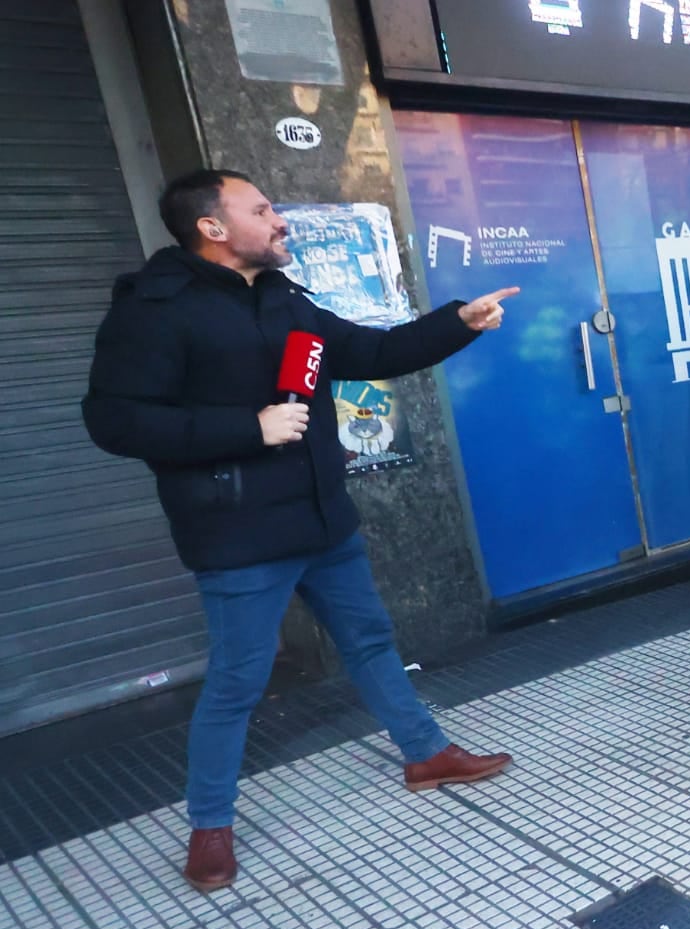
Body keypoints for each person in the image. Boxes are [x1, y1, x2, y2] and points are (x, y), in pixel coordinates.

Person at [82, 170, 518, 892]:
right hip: (238, 531)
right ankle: (210, 826)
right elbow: (114, 420)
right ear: (212, 228)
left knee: (372, 640)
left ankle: (426, 753)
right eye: (261, 209)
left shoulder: (282, 298)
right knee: (237, 681)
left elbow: (369, 356)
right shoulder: (154, 310)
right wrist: (246, 429)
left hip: (321, 519)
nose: (279, 219)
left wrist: (457, 325)